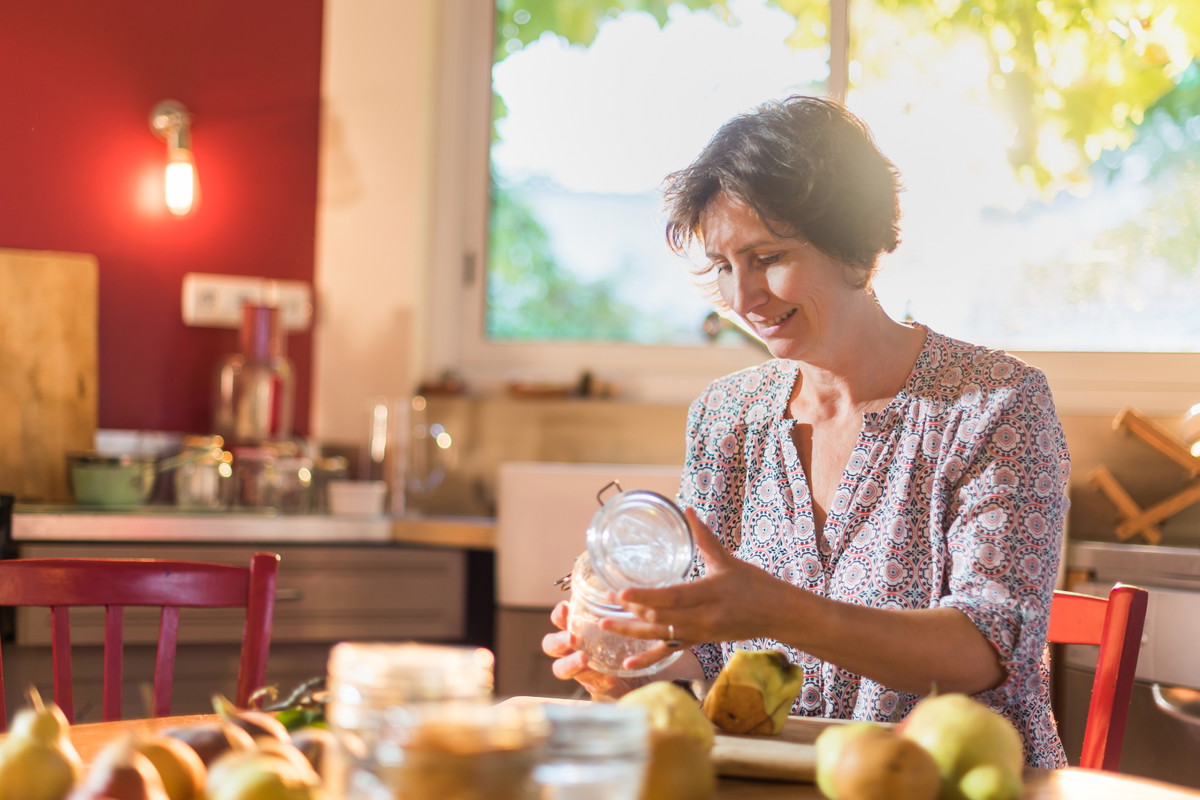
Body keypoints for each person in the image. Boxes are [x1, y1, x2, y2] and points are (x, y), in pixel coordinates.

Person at [541, 95, 1070, 768]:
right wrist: (625, 673)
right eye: (722, 267)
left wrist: (776, 610)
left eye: (766, 257)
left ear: (851, 240)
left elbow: (985, 650)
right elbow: (711, 655)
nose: (742, 298)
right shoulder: (726, 418)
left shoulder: (994, 406)